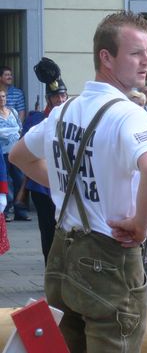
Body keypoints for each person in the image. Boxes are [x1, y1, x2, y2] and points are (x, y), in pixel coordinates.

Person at [9, 10, 147, 353]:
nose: (146, 62)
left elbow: (18, 155)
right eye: (135, 53)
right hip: (109, 258)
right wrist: (141, 225)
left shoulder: (64, 110)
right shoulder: (129, 114)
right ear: (106, 57)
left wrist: (63, 187)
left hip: (62, 257)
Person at [22, 57, 68, 263]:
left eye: (63, 95)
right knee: (48, 229)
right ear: (48, 99)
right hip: (42, 184)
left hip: (66, 182)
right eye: (56, 96)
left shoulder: (72, 118)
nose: (60, 100)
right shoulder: (36, 119)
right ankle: (51, 267)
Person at [0, 88, 28, 221]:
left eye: (4, 97)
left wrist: (8, 132)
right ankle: (4, 212)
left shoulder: (13, 112)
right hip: (2, 154)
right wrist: (9, 132)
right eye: (0, 97)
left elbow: (19, 129)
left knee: (20, 180)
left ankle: (20, 211)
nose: (2, 99)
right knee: (5, 182)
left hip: (15, 152)